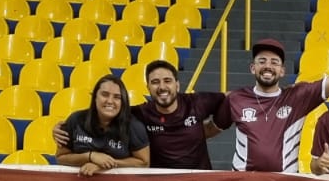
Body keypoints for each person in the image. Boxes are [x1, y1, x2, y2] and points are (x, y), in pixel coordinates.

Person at [214, 12, 329, 172]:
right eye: (262, 61)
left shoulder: (298, 97)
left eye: (274, 62)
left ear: (282, 71)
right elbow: (211, 128)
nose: (268, 66)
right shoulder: (236, 98)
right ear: (253, 68)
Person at [54, 60, 225, 169]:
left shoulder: (197, 102)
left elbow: (233, 100)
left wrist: (214, 127)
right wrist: (58, 128)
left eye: (167, 81)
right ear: (148, 88)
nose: (162, 87)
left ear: (177, 85)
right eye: (155, 82)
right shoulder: (139, 113)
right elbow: (110, 112)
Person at [55, 75, 150, 176]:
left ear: (123, 102)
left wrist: (105, 164)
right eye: (105, 95)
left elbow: (144, 163)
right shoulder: (76, 119)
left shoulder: (133, 126)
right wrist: (90, 156)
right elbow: (61, 158)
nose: (110, 101)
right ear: (95, 97)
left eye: (117, 97)